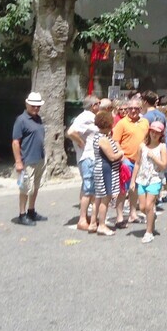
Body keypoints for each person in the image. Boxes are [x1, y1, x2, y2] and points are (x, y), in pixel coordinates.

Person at [112, 97, 150, 227]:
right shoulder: (122, 123)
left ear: (140, 109)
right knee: (123, 190)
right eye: (130, 108)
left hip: (140, 161)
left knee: (135, 189)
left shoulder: (145, 122)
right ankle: (119, 218)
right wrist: (122, 157)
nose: (133, 110)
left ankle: (133, 214)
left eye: (136, 108)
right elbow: (115, 141)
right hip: (126, 161)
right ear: (127, 109)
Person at [66, 95, 101, 232]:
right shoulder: (86, 116)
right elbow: (70, 132)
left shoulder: (89, 117)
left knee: (88, 188)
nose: (100, 105)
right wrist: (81, 142)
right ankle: (82, 219)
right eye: (98, 103)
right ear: (93, 106)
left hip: (90, 157)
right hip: (88, 157)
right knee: (88, 189)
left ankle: (86, 217)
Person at [12, 92, 47, 225]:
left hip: (39, 158)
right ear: (27, 104)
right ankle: (22, 214)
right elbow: (15, 142)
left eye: (38, 106)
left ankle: (31, 211)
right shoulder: (21, 120)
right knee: (26, 188)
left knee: (35, 186)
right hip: (27, 160)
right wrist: (18, 161)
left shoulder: (38, 118)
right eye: (33, 106)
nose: (36, 108)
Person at [132, 120, 167, 244]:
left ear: (161, 135)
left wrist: (154, 157)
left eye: (157, 133)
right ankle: (152, 216)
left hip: (155, 179)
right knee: (142, 207)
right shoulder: (142, 146)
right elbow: (137, 163)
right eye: (152, 131)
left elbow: (164, 165)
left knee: (149, 205)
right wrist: (132, 181)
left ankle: (149, 232)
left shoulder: (162, 147)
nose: (154, 134)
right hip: (142, 179)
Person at [92, 110, 124, 236]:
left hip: (107, 169)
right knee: (106, 197)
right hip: (105, 170)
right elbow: (111, 157)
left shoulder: (104, 137)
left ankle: (95, 223)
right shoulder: (102, 139)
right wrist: (121, 153)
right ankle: (102, 225)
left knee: (100, 197)